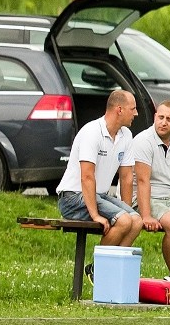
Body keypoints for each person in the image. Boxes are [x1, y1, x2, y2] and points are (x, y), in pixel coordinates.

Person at [55, 89, 143, 283]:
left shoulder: (126, 135)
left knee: (135, 221)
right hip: (73, 196)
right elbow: (87, 176)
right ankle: (100, 269)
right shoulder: (91, 132)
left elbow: (127, 177)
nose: (136, 113)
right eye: (133, 109)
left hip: (99, 195)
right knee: (124, 221)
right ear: (119, 110)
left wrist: (126, 209)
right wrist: (95, 215)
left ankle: (103, 268)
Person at [133, 99, 170, 281]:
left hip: (167, 198)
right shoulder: (143, 141)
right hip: (145, 198)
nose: (164, 122)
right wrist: (146, 216)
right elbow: (142, 180)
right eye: (161, 117)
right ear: (155, 117)